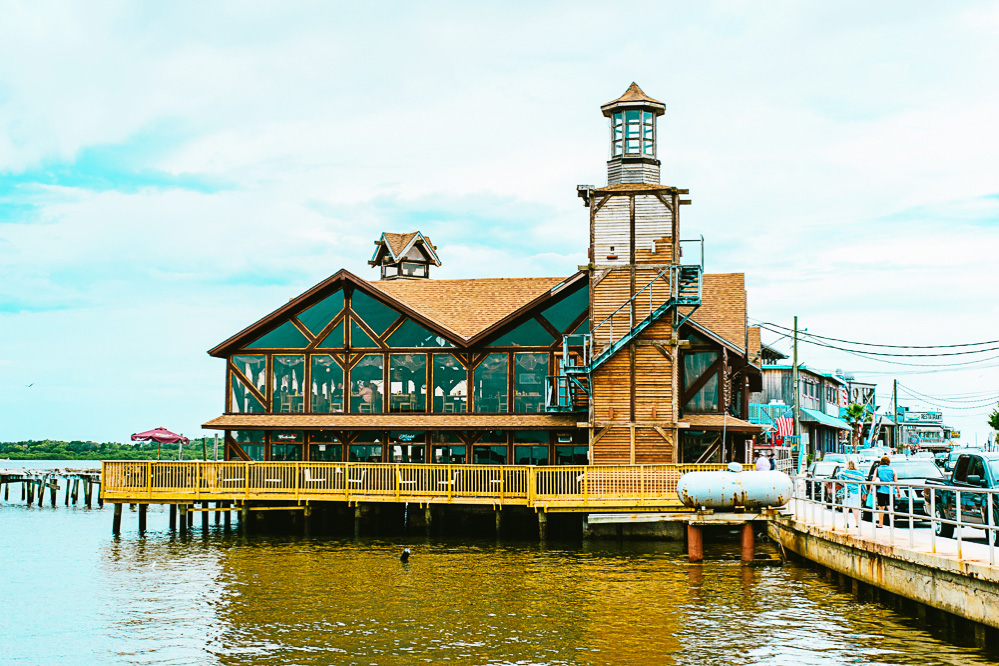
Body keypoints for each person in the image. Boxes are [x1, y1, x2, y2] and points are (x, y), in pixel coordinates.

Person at [839, 460, 866, 529]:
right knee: (855, 508)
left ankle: (846, 523)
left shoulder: (843, 473)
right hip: (856, 492)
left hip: (847, 492)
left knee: (845, 508)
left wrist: (843, 483)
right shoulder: (860, 474)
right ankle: (857, 523)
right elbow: (863, 484)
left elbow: (838, 476)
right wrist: (864, 493)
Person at [874, 455, 897, 528]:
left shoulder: (878, 469)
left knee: (881, 507)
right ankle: (892, 524)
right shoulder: (892, 470)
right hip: (891, 490)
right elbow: (896, 481)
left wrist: (871, 488)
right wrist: (898, 491)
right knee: (890, 507)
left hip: (881, 490)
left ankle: (880, 524)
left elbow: (873, 479)